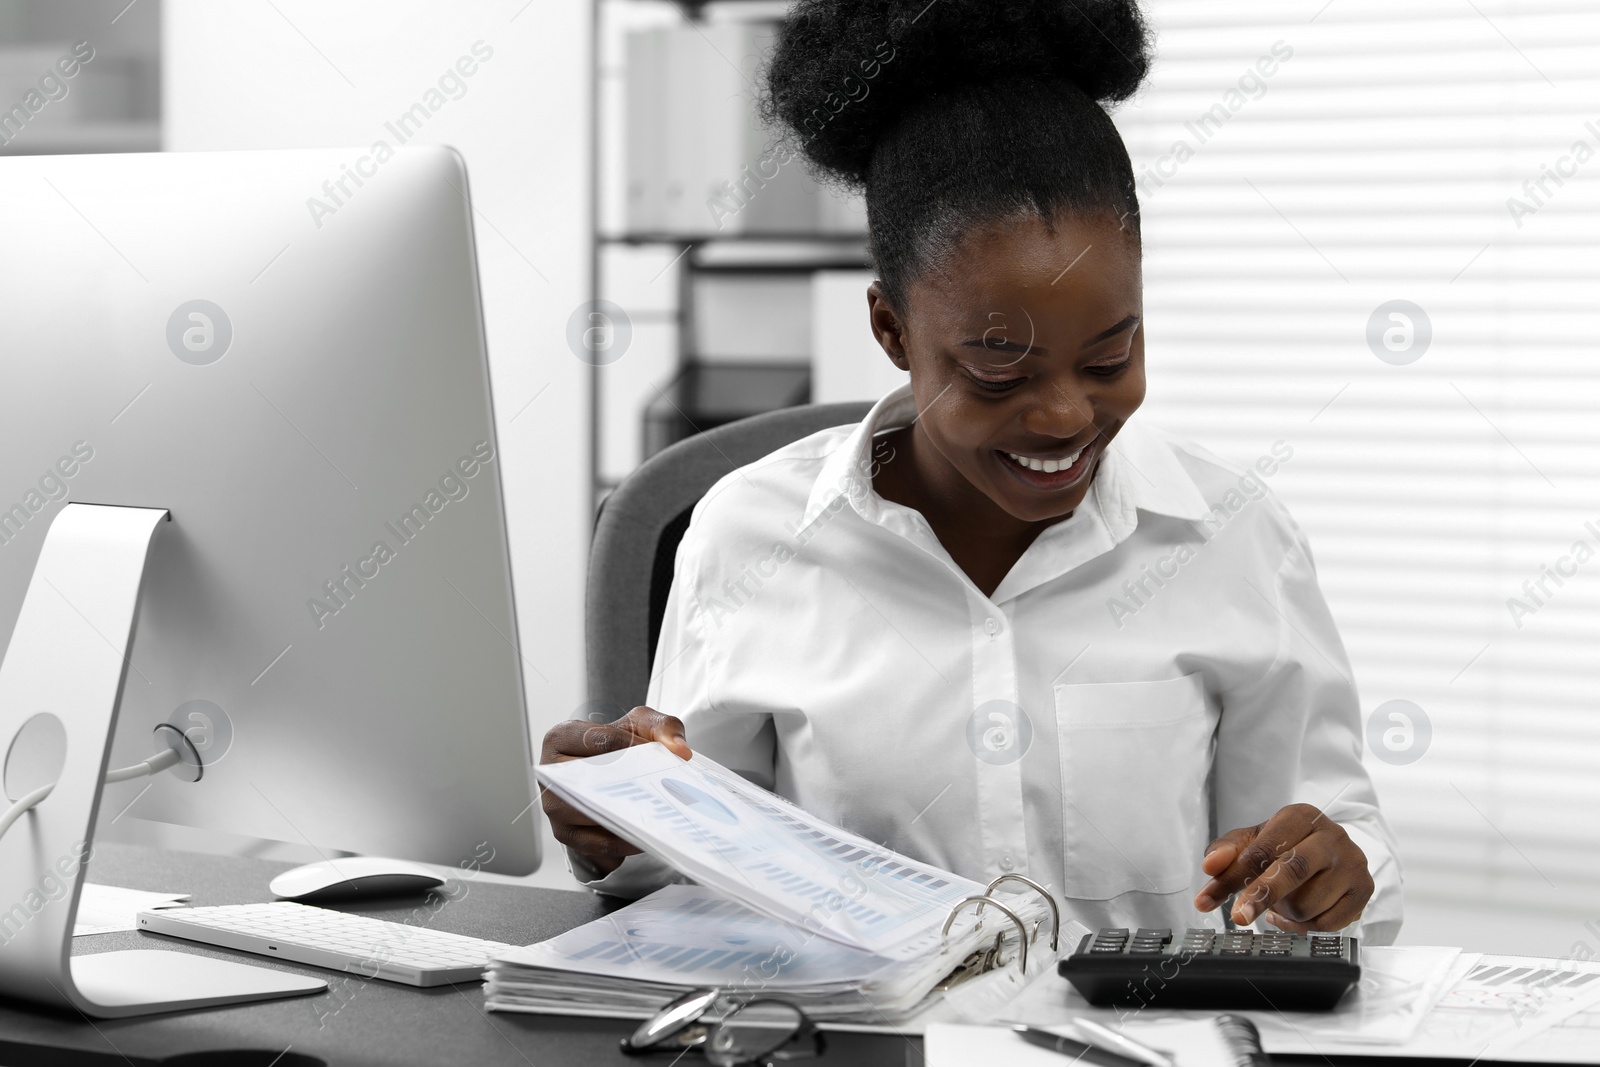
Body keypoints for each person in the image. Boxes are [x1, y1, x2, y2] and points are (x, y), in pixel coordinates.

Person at [544, 0, 1401, 944]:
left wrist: (1332, 874)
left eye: (1111, 358)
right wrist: (608, 827)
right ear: (892, 329)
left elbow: (1323, 868)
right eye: (1001, 369)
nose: (1066, 414)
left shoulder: (1235, 537)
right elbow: (684, 879)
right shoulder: (750, 534)